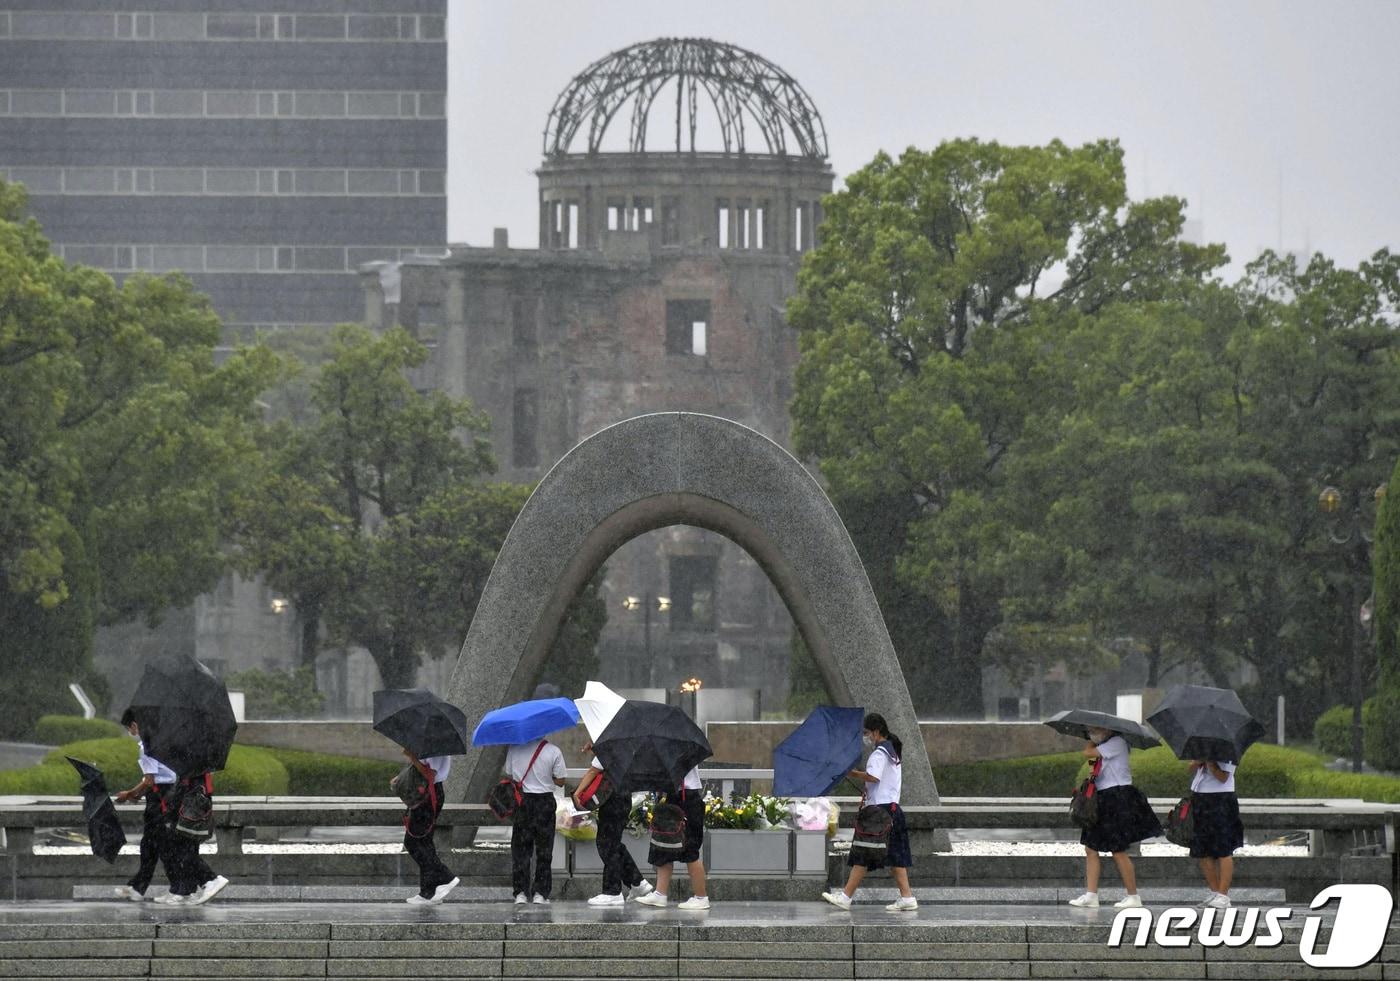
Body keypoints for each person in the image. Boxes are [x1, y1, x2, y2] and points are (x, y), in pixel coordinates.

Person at [821, 713, 917, 912]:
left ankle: (846, 897)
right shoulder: (892, 751)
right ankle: (907, 897)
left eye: (866, 733)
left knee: (863, 853)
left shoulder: (880, 753)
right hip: (891, 810)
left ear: (876, 731)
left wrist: (851, 773)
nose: (865, 737)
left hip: (878, 814)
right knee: (894, 856)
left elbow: (874, 777)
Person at [1067, 726, 1162, 909]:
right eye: (1090, 731)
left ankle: (1133, 896)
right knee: (1091, 848)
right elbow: (1093, 767)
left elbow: (1087, 752)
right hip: (1102, 798)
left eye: (1096, 730)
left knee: (1118, 850)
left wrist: (1090, 742)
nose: (1092, 733)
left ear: (1109, 730)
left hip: (1116, 798)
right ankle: (1091, 895)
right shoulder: (1104, 747)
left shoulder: (1117, 742)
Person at [574, 742, 652, 907]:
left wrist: (577, 792)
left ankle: (612, 892)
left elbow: (593, 770)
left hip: (612, 799)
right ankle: (637, 882)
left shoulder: (610, 745)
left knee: (606, 845)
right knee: (613, 844)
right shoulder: (629, 745)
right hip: (623, 798)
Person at [112, 709, 176, 902]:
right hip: (166, 795)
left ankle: (181, 887)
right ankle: (139, 887)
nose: (130, 732)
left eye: (129, 728)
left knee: (160, 845)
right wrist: (137, 794)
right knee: (151, 845)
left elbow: (149, 781)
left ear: (135, 725)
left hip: (159, 800)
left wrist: (128, 794)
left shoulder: (146, 746)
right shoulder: (161, 741)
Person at [634, 765, 709, 910]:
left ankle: (701, 897)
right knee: (663, 847)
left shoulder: (681, 755)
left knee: (690, 851)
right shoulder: (672, 754)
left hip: (686, 799)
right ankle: (660, 893)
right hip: (675, 797)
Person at [505, 737, 566, 905]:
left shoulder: (514, 748)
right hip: (544, 803)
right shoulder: (553, 751)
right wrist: (546, 776)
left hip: (522, 802)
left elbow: (510, 774)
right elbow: (561, 781)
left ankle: (520, 893)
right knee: (544, 850)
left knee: (521, 850)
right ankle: (540, 893)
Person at [398, 748, 460, 905]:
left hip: (429, 794)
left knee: (413, 842)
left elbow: (430, 774)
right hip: (426, 792)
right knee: (425, 843)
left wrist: (412, 757)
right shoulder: (431, 743)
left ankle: (445, 876)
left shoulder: (435, 746)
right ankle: (428, 891)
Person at [161, 769, 228, 906]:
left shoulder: (191, 767)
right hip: (191, 813)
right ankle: (186, 890)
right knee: (185, 850)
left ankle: (210, 880)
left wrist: (170, 811)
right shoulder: (198, 766)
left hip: (187, 814)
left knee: (184, 851)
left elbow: (183, 791)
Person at [1189, 758, 1243, 909]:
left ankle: (1223, 895)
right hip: (1200, 797)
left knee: (1223, 849)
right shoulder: (1202, 748)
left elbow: (1223, 777)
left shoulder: (1227, 750)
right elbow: (1190, 769)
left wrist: (1211, 763)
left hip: (1221, 799)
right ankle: (1214, 892)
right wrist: (1197, 761)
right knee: (1202, 850)